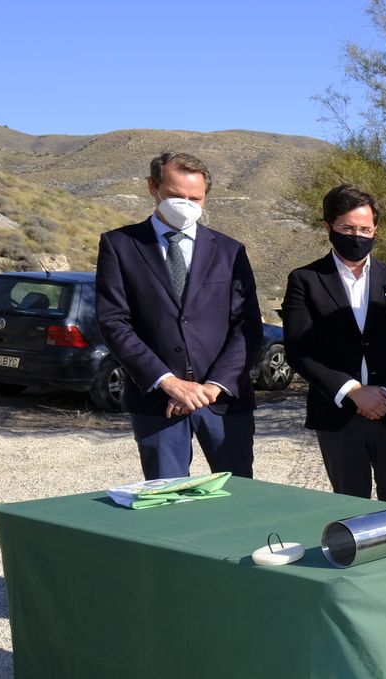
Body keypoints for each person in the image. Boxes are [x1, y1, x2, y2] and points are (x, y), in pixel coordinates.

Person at [95, 152, 262, 479]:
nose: (185, 204)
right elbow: (114, 322)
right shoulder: (120, 245)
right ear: (152, 187)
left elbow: (247, 326)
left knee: (239, 495)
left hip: (223, 400)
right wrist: (170, 383)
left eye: (195, 198)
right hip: (158, 401)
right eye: (175, 195)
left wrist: (211, 387)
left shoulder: (230, 251)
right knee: (167, 500)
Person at [282, 185, 386, 504]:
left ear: (375, 229)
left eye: (365, 229)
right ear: (328, 226)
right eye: (347, 228)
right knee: (349, 508)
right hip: (338, 415)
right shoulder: (305, 280)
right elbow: (299, 349)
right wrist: (353, 391)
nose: (357, 236)